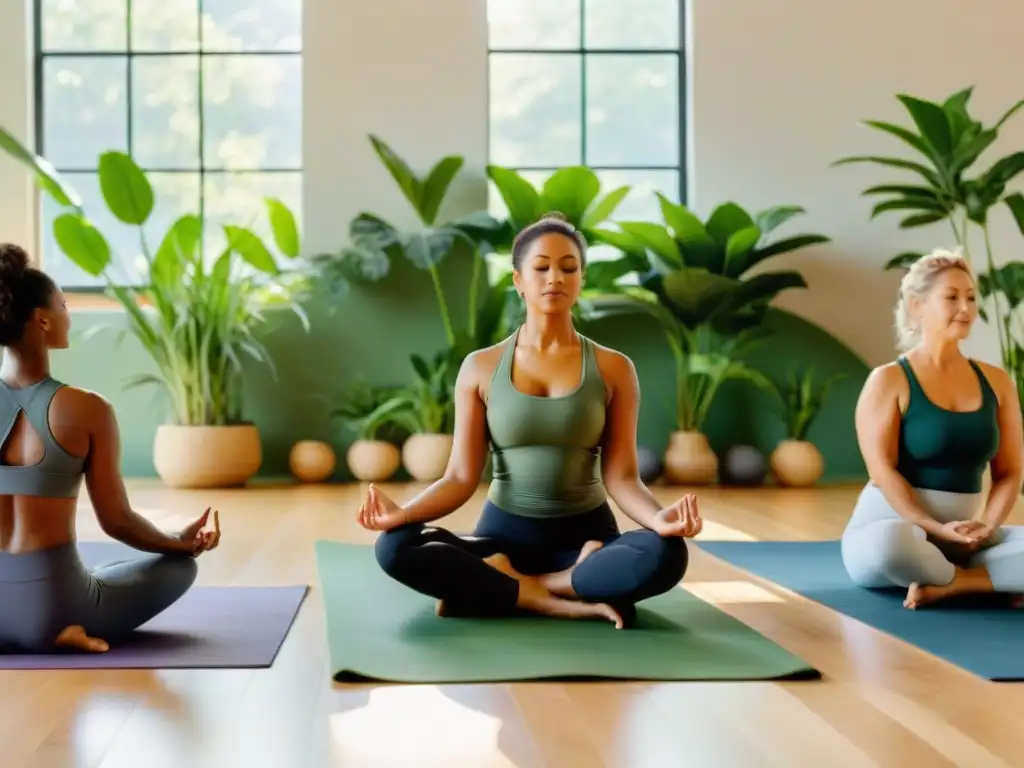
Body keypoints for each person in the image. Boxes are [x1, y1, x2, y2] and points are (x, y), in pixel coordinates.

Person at [357, 214, 701, 629]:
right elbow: (461, 477)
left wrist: (660, 520)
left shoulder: (614, 368)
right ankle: (546, 594)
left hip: (587, 542)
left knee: (668, 553)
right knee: (394, 547)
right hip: (501, 540)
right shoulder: (480, 367)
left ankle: (511, 588)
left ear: (581, 279)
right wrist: (404, 515)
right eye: (541, 267)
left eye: (568, 268)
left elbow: (623, 477)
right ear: (519, 280)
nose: (554, 277)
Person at [0, 243, 221, 654]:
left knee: (109, 569)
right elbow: (116, 521)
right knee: (178, 568)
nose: (70, 313)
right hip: (56, 606)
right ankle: (60, 631)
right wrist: (179, 543)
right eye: (64, 305)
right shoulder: (88, 409)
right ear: (43, 321)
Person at [841, 247, 1024, 609]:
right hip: (895, 533)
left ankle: (957, 582)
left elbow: (1011, 472)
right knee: (889, 545)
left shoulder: (997, 382)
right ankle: (991, 581)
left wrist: (986, 526)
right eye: (951, 297)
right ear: (916, 306)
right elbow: (882, 472)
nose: (966, 308)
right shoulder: (889, 380)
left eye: (971, 297)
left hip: (963, 541)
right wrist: (933, 526)